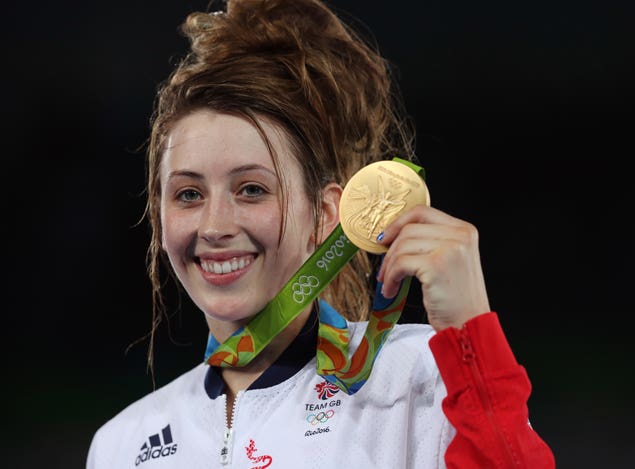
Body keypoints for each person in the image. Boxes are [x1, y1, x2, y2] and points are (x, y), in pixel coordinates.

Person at [87, 0, 555, 467]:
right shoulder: (123, 444)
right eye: (188, 194)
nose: (214, 226)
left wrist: (468, 334)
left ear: (326, 212)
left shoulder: (420, 381)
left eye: (252, 189)